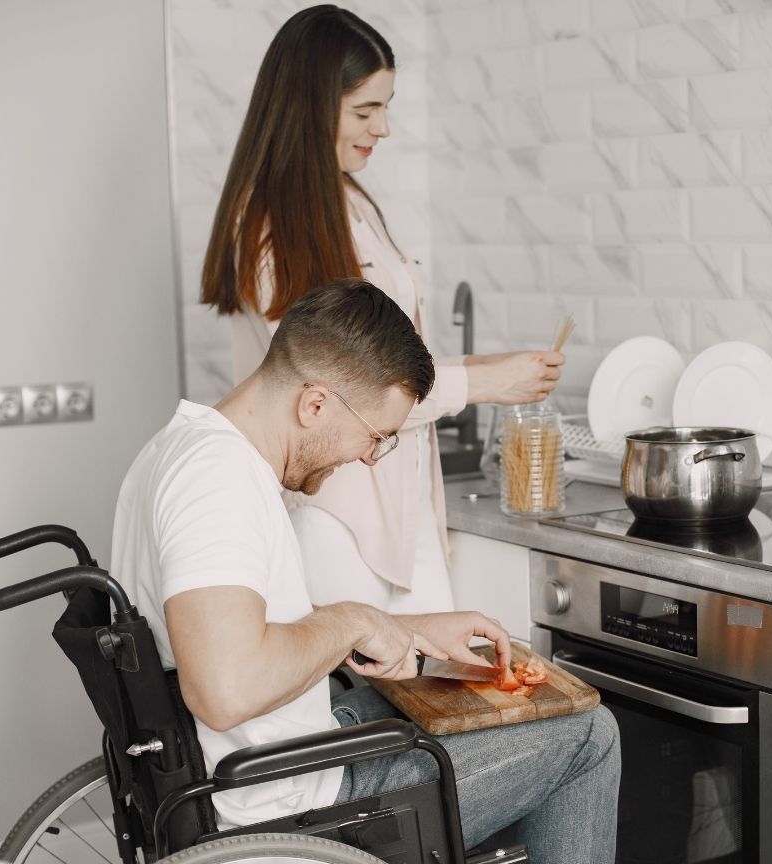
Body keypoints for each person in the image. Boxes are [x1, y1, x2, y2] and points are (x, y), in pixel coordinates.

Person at [111, 280, 619, 863]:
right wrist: (353, 620)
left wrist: (404, 627)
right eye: (376, 437)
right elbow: (226, 691)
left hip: (273, 764)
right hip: (288, 815)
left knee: (446, 704)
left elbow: (249, 637)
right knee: (589, 736)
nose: (366, 457)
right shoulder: (216, 484)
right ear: (315, 404)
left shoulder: (183, 450)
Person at [199, 4, 564, 614]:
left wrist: (478, 364)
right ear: (310, 107)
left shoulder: (351, 204)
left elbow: (382, 352)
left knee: (427, 693)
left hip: (399, 507)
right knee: (380, 699)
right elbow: (344, 381)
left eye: (385, 107)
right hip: (335, 512)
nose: (384, 128)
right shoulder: (271, 227)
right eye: (365, 110)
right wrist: (481, 382)